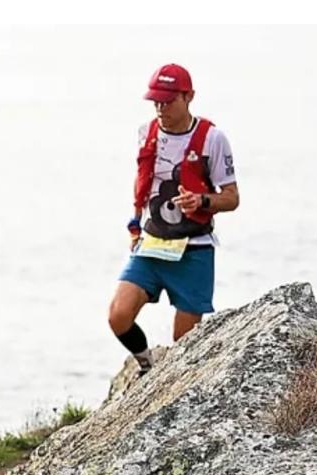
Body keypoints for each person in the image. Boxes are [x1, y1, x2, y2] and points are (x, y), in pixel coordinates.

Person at [110, 63, 241, 374]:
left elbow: (232, 197)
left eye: (168, 100)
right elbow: (143, 181)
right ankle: (147, 367)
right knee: (118, 315)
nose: (160, 107)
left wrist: (202, 200)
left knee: (183, 342)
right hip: (153, 243)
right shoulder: (146, 133)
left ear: (189, 96)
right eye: (156, 100)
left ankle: (175, 379)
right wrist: (134, 223)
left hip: (194, 249)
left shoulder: (213, 138)